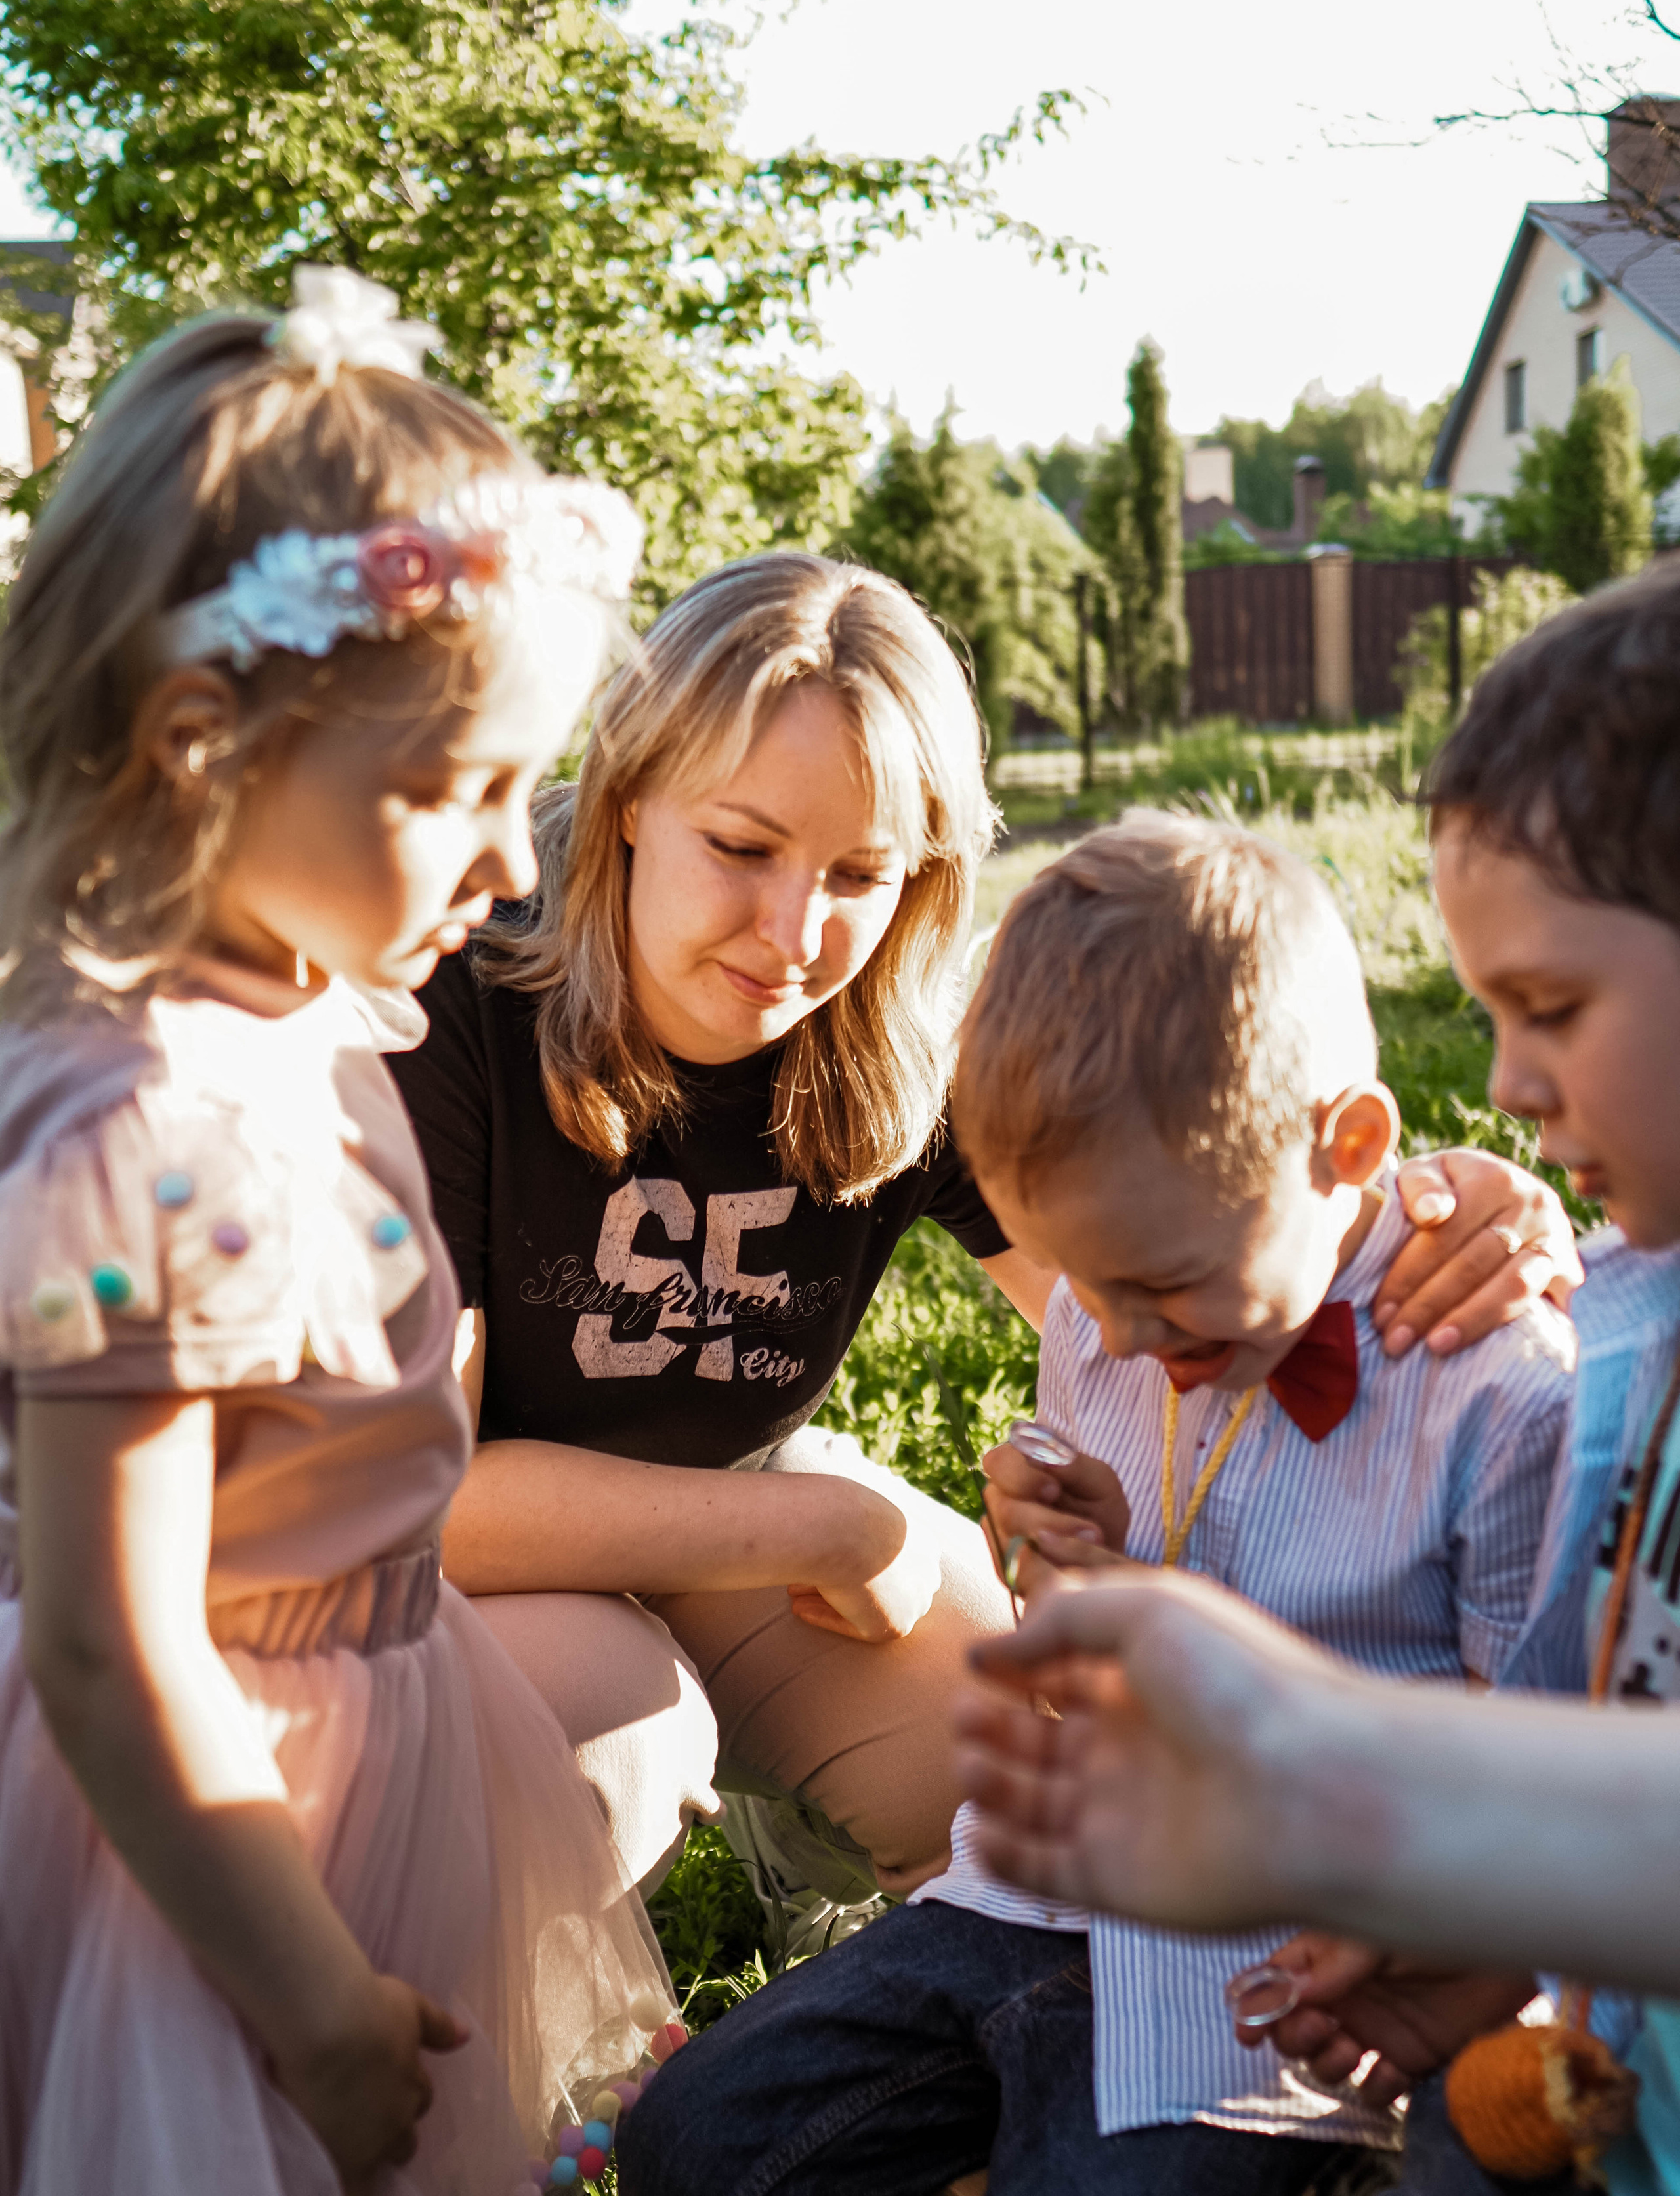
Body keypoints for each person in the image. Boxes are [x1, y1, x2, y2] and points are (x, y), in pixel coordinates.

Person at [390, 552, 1582, 1905]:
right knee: (615, 1733)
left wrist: (1410, 1211)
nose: (793, 933)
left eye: (861, 873)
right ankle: (577, 2088)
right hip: (467, 1572)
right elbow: (416, 1504)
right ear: (624, 800)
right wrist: (834, 1528)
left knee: (1007, 1758)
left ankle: (815, 1847)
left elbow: (1167, 1277)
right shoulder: (459, 996)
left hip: (732, 1508)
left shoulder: (899, 1036)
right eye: (738, 847)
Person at [615, 811, 1574, 2196]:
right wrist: (1050, 1555)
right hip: (1036, 1897)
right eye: (1082, 1286)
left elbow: (1541, 1754)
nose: (1111, 1339)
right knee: (694, 2143)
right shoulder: (1116, 1308)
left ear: (1348, 1148)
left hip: (1274, 1957)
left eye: (1160, 1288)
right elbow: (1093, 1593)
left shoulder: (1492, 1392)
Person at [0, 269, 675, 2196]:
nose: (513, 858)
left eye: (523, 785)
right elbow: (112, 1648)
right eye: (447, 789)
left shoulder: (307, 997)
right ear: (203, 742)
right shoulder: (147, 1133)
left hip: (379, 1735)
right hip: (207, 1846)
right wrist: (306, 1997)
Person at [952, 561, 1680, 2195]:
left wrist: (1350, 1824)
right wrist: (1470, 1949)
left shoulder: (1522, 1370)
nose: (1493, 1083)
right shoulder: (1636, 1335)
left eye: (1547, 1006)